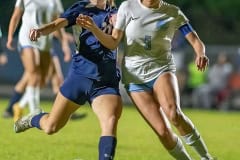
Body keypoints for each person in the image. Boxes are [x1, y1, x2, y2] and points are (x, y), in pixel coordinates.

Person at [76, 0, 215, 159]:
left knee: (173, 113)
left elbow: (195, 40)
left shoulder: (172, 12)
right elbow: (113, 42)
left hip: (161, 69)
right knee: (163, 132)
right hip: (134, 77)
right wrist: (94, 28)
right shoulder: (128, 7)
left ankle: (206, 157)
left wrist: (200, 53)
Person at [14, 0, 122, 160]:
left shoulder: (119, 12)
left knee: (110, 121)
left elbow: (113, 43)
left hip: (105, 82)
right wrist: (39, 30)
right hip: (79, 77)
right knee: (51, 126)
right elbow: (56, 24)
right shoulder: (82, 8)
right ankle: (34, 118)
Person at [4, 0, 70, 121]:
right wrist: (9, 37)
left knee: (42, 80)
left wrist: (64, 44)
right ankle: (34, 112)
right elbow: (16, 15)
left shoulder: (54, 1)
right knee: (34, 73)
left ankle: (20, 105)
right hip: (26, 38)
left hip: (45, 41)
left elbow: (57, 23)